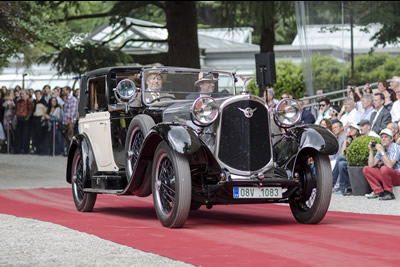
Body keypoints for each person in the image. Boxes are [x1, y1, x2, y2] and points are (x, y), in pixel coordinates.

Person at [363, 129, 400, 200]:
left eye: (386, 137)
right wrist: (371, 150)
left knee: (384, 168)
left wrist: (382, 152)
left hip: (398, 176)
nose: (383, 139)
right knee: (366, 169)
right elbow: (371, 164)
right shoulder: (382, 148)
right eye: (382, 137)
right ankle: (378, 191)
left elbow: (390, 165)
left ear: (391, 139)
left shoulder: (396, 148)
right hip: (388, 176)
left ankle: (389, 193)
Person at [332, 122, 360, 195]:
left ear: (357, 130)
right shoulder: (349, 140)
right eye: (350, 128)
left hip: (356, 160)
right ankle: (342, 188)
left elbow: (342, 156)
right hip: (348, 160)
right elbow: (342, 153)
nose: (350, 130)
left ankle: (332, 182)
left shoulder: (360, 139)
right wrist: (345, 139)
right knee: (341, 164)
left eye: (353, 129)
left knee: (339, 158)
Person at [14, 90, 33, 154]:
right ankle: (18, 150)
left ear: (26, 94)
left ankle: (25, 150)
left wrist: (27, 117)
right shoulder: (18, 101)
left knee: (25, 135)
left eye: (22, 94)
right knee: (18, 135)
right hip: (19, 119)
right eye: (20, 93)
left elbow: (30, 110)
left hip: (25, 120)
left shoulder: (29, 101)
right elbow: (15, 109)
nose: (21, 95)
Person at [62, 86, 78, 156]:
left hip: (70, 122)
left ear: (68, 91)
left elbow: (72, 111)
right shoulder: (67, 100)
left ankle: (71, 152)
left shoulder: (73, 99)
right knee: (65, 137)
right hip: (65, 121)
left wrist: (68, 120)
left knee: (70, 137)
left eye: (64, 90)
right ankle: (66, 151)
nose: (63, 91)